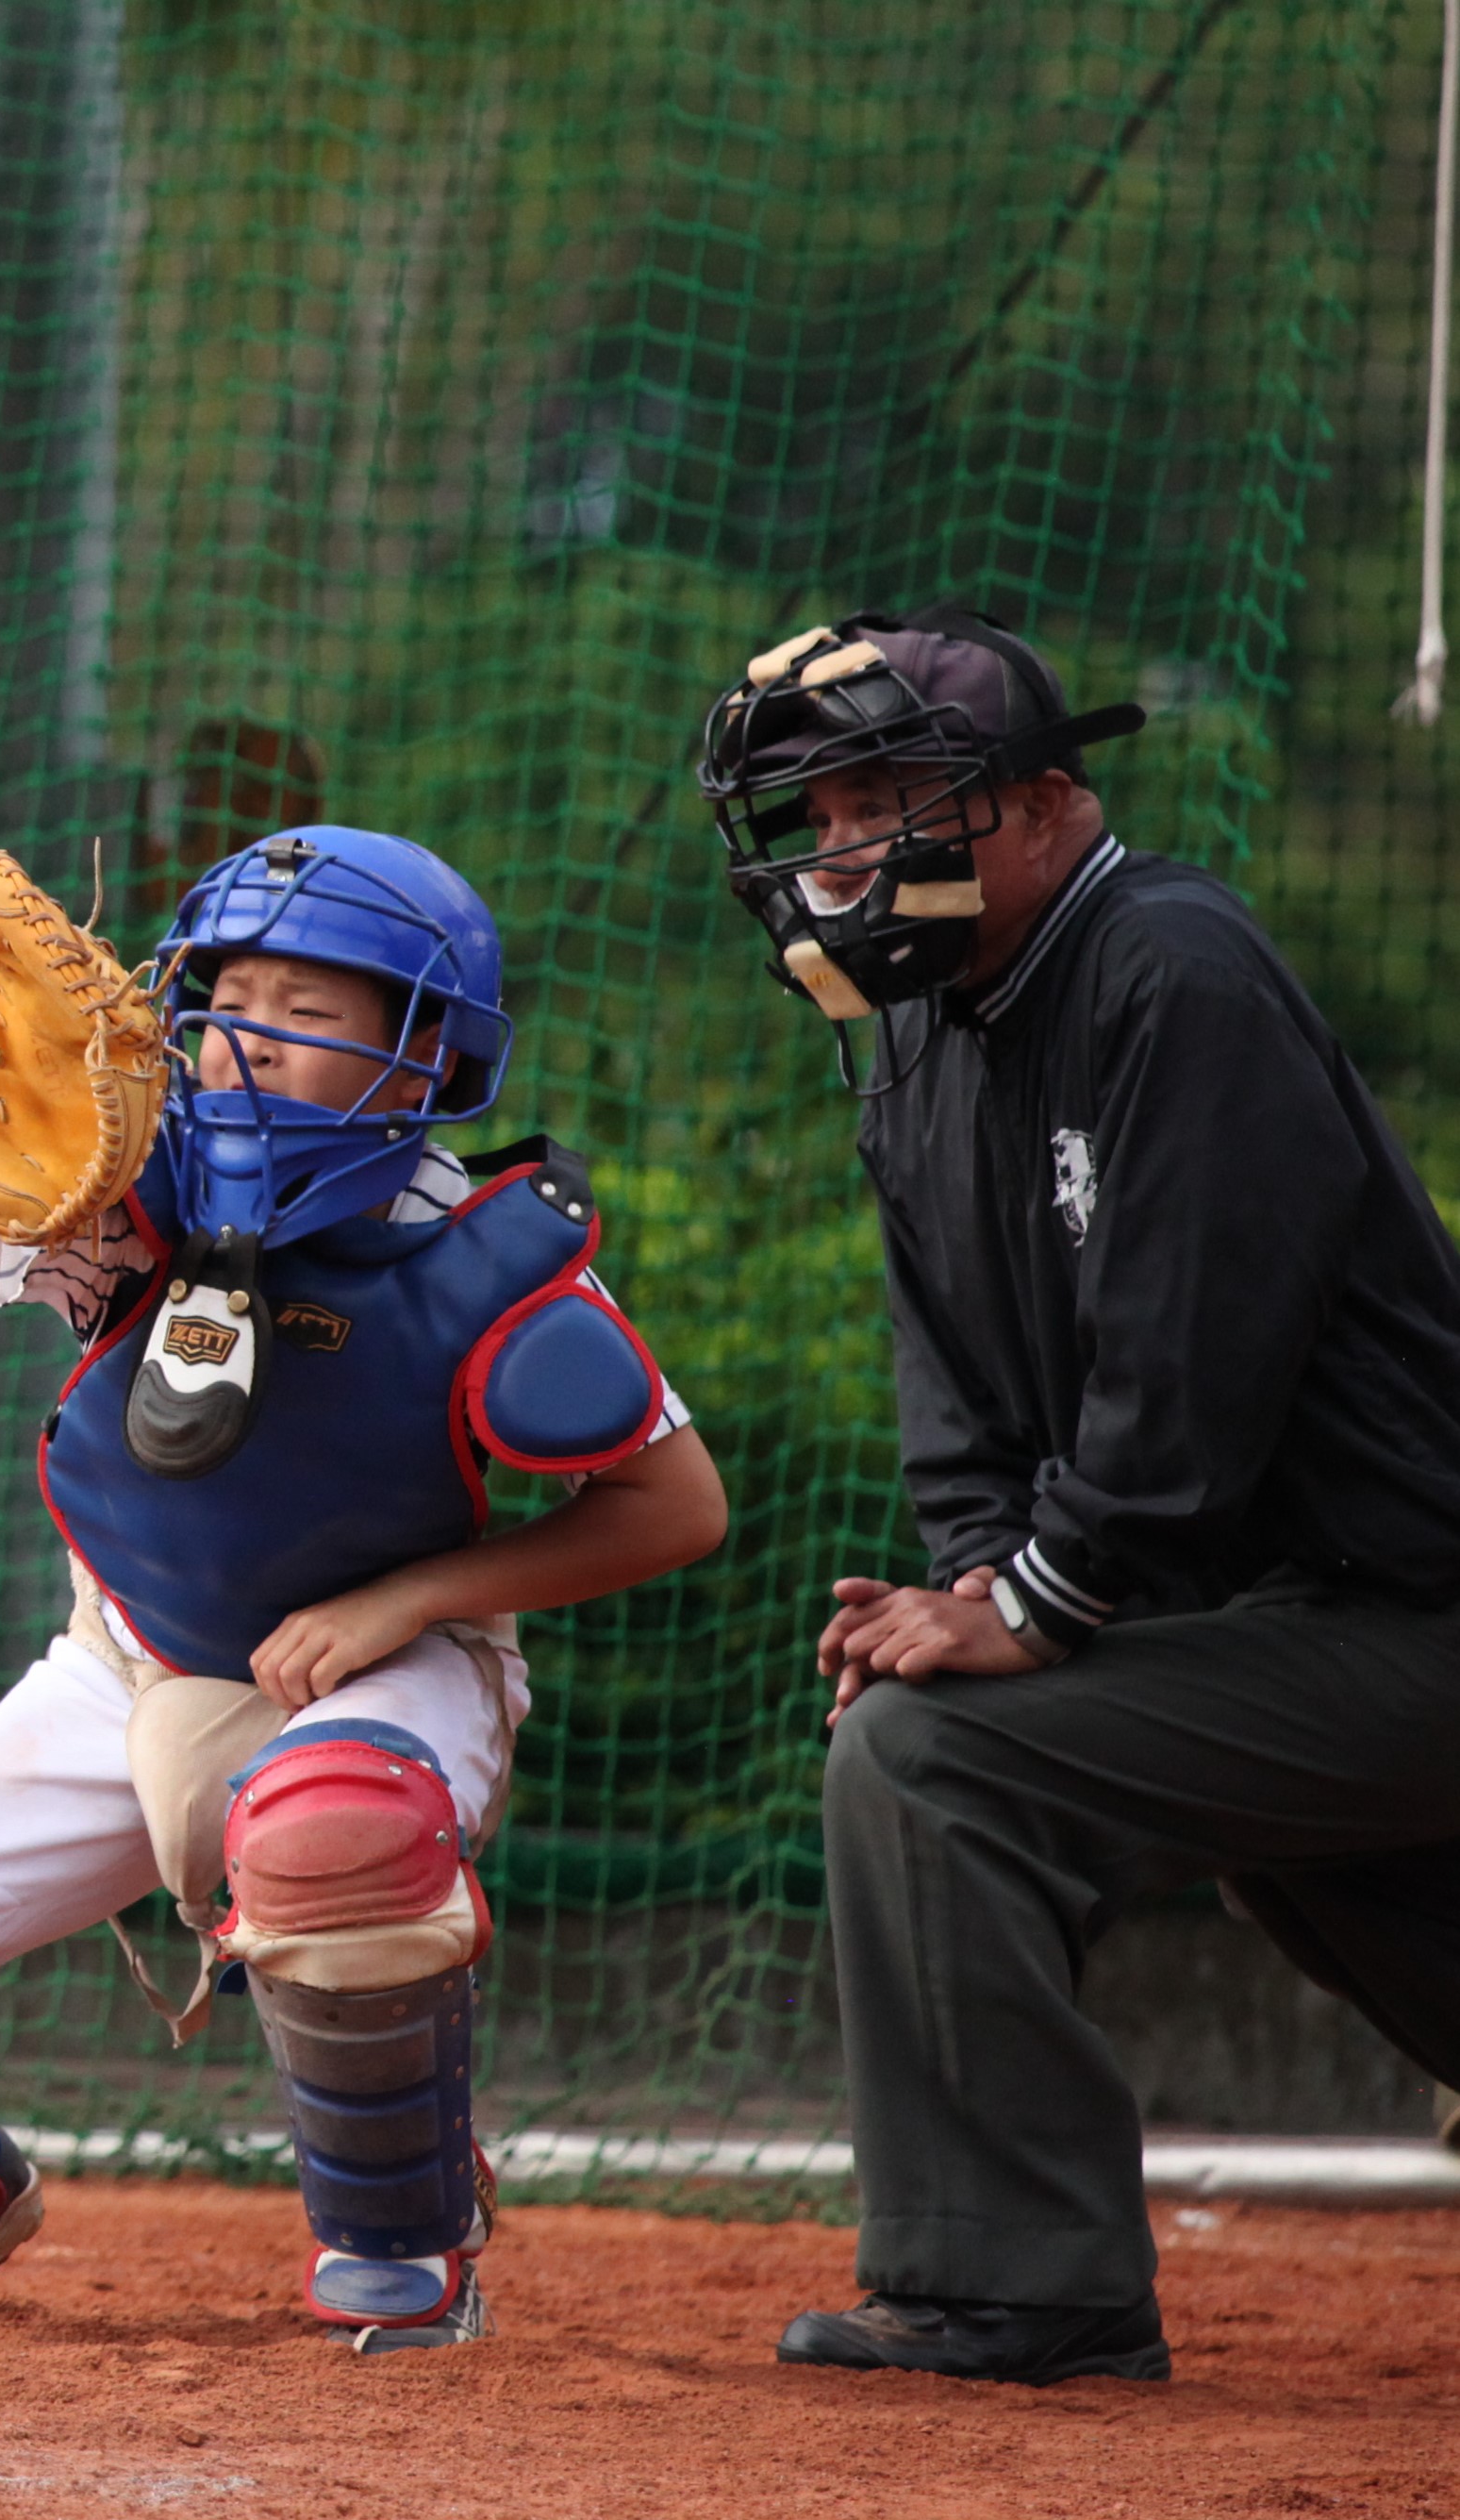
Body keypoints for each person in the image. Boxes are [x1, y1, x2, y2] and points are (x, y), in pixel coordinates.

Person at [0, 831, 726, 2346]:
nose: (248, 1040)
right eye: (227, 1001)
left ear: (426, 1054)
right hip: (130, 1648)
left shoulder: (480, 1254)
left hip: (385, 1665)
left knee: (333, 1831)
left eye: (306, 1010)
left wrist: (411, 1598)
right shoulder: (129, 1181)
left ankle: (402, 2228)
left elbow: (676, 1507)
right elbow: (46, 1173)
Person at [698, 607, 1460, 2386]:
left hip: (1413, 1611)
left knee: (930, 1760)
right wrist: (975, 1589)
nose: (842, 851)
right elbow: (955, 1407)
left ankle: (1018, 2283)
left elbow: (1195, 1362)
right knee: (974, 1726)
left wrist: (1036, 1610)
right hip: (1276, 1627)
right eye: (822, 818)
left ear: (1046, 805)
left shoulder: (1167, 968)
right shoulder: (913, 1042)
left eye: (890, 800)